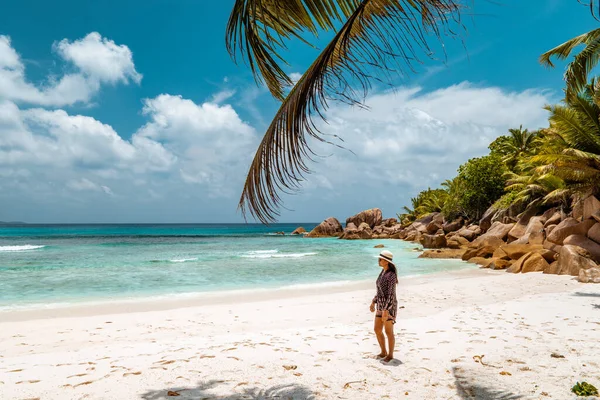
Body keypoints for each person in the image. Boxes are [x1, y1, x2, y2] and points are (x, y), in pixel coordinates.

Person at [370, 250, 398, 363]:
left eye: (380, 259)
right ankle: (383, 352)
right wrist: (373, 302)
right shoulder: (382, 272)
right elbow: (380, 291)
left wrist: (386, 309)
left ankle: (390, 355)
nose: (379, 261)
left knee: (388, 332)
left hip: (389, 306)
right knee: (377, 329)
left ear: (386, 261)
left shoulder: (391, 275)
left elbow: (391, 294)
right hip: (380, 305)